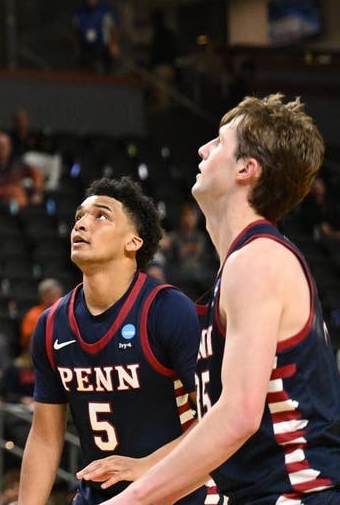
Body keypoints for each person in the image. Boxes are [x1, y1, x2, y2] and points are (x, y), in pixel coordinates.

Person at [107, 96, 338, 505]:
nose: (202, 149)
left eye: (218, 142)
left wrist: (131, 500)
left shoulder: (257, 260)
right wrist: (147, 476)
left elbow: (239, 416)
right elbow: (229, 432)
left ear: (247, 169)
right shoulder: (244, 262)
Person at [18, 177, 200, 505]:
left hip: (178, 492)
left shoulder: (167, 309)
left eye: (101, 216)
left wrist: (146, 466)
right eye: (79, 217)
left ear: (133, 241)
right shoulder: (51, 324)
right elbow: (45, 437)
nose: (82, 224)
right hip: (98, 496)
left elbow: (216, 422)